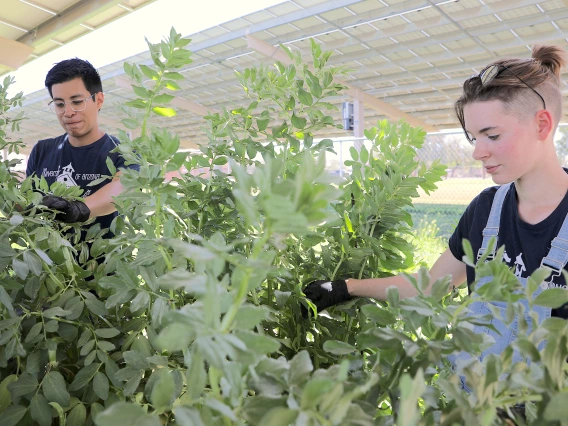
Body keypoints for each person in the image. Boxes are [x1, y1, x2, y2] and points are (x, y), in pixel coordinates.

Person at [304, 45, 568, 354]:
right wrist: (346, 287)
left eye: (492, 135)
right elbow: (429, 287)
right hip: (477, 396)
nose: (477, 152)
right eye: (473, 137)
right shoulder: (486, 210)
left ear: (542, 125)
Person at [25, 58, 137, 237]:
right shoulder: (41, 150)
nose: (67, 112)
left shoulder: (124, 151)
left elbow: (121, 188)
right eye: (59, 104)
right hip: (46, 263)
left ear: (99, 100)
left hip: (100, 261)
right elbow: (26, 202)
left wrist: (79, 209)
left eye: (77, 102)